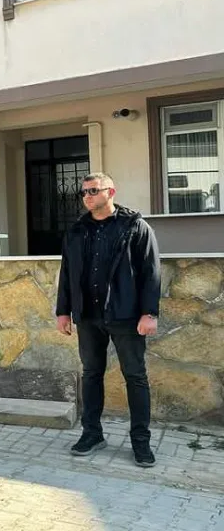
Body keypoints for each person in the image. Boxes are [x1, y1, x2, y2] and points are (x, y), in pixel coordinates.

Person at [56, 172, 161, 468]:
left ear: (110, 192)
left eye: (93, 191)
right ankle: (92, 434)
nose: (87, 197)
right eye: (84, 192)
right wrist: (63, 311)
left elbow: (151, 271)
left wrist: (149, 312)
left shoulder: (135, 227)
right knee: (91, 374)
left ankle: (141, 442)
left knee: (135, 377)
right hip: (89, 317)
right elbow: (67, 273)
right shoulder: (77, 231)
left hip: (126, 316)